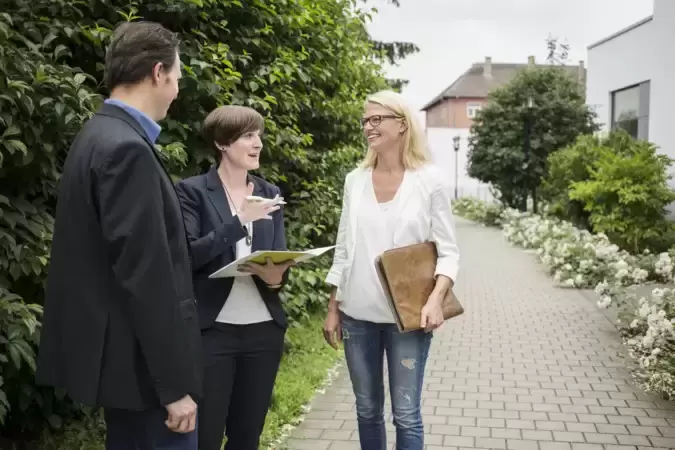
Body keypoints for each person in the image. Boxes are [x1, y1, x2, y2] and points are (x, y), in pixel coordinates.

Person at [35, 21, 202, 449]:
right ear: (158, 72)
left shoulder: (95, 135)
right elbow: (146, 276)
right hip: (145, 378)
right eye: (177, 79)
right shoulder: (126, 149)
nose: (177, 91)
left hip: (123, 372)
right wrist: (174, 388)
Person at [322, 90, 460, 450]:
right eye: (366, 120)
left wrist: (435, 301)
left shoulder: (429, 180)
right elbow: (344, 248)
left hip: (409, 318)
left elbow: (448, 252)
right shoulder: (355, 179)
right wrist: (333, 307)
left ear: (402, 124)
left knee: (406, 413)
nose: (369, 126)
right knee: (367, 409)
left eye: (377, 119)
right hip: (357, 316)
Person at [174, 105, 293, 450]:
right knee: (207, 436)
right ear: (223, 143)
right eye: (248, 136)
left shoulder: (270, 192)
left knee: (247, 436)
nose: (258, 144)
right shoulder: (192, 191)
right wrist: (239, 221)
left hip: (263, 332)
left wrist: (275, 279)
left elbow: (279, 258)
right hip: (213, 332)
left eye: (259, 136)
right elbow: (189, 255)